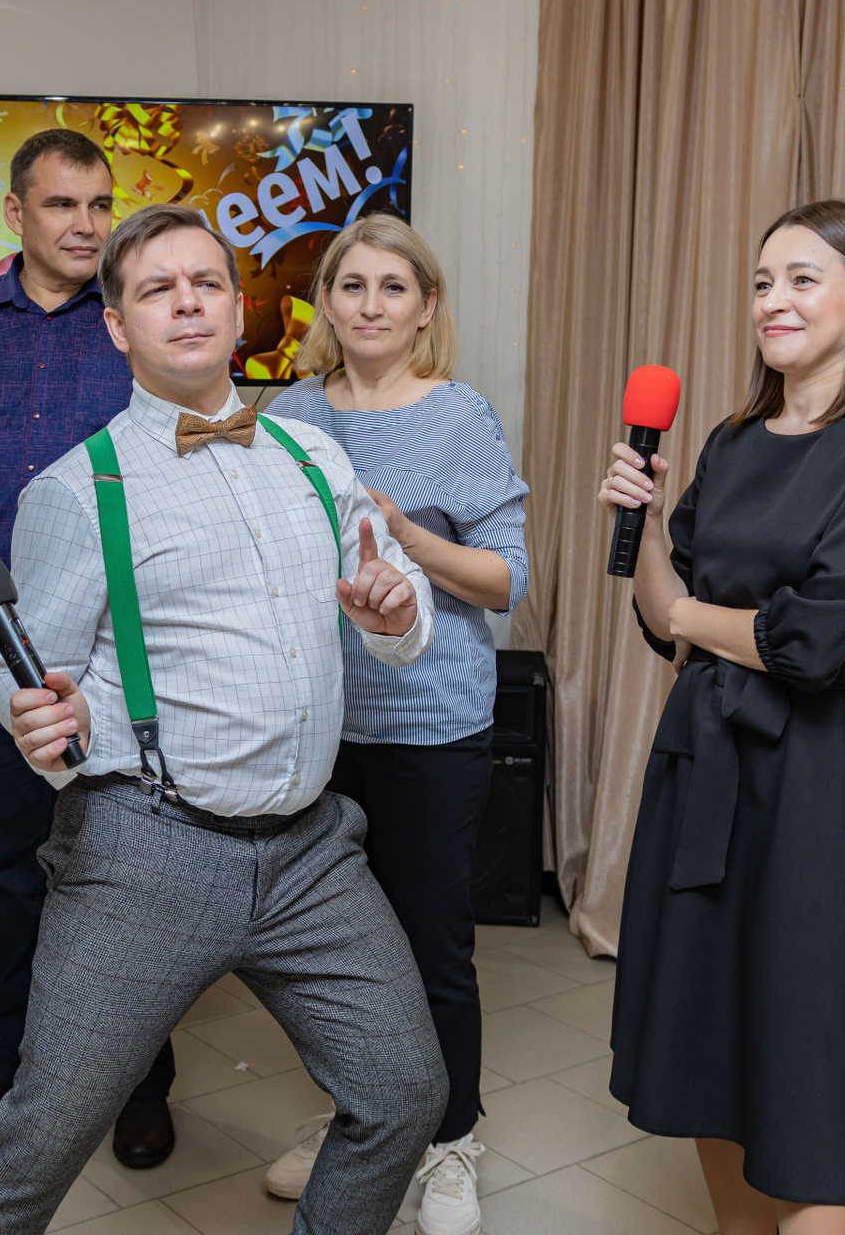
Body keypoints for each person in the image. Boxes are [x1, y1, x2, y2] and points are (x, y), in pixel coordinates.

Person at [0, 203, 448, 1235]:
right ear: (117, 326)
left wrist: (399, 612)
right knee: (41, 1135)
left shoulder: (313, 458)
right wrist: (46, 718)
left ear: (238, 307)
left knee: (404, 1093)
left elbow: (399, 604)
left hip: (312, 852)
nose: (186, 303)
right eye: (156, 289)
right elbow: (30, 674)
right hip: (147, 848)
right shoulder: (76, 490)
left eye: (205, 282)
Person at [598, 199, 845, 1235]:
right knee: (712, 1061)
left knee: (812, 1081)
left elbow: (810, 642)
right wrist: (643, 529)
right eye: (761, 282)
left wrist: (691, 616)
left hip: (818, 783)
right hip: (702, 763)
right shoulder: (733, 438)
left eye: (802, 278)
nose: (773, 301)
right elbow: (665, 618)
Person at [0, 128, 178, 1165]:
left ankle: (139, 1080)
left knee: (128, 864)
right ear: (16, 213)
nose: (86, 225)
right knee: (12, 864)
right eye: (62, 205)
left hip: (118, 642)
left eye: (99, 205)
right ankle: (5, 1053)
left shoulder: (135, 324)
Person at [264, 213, 528, 1235]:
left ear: (426, 307)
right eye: (352, 285)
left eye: (393, 287)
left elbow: (505, 580)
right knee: (327, 951)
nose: (370, 305)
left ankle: (451, 1141)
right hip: (319, 723)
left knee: (429, 941)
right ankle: (360, 1119)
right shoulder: (289, 412)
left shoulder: (459, 416)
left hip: (428, 723)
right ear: (326, 303)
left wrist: (405, 532)